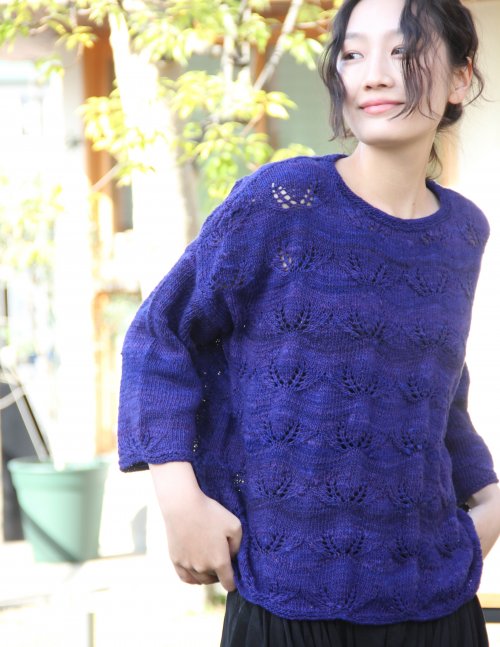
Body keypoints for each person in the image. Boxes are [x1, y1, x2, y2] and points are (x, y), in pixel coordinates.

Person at [117, 0, 500, 644]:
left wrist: (489, 501)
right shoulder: (281, 203)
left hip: (436, 603)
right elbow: (161, 336)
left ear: (461, 78)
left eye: (403, 51)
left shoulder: (463, 231)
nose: (374, 73)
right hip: (285, 600)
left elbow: (435, 392)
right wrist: (180, 500)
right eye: (352, 53)